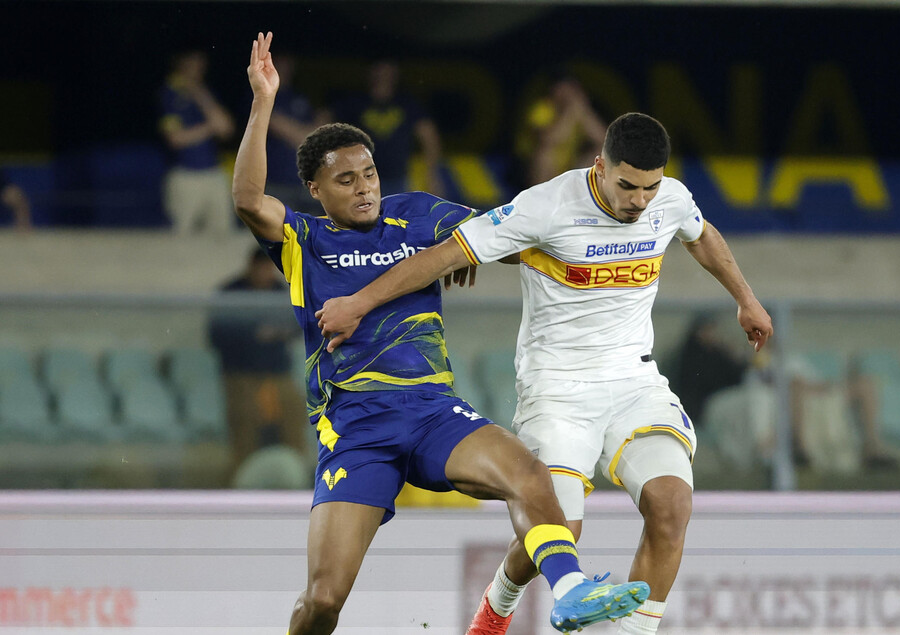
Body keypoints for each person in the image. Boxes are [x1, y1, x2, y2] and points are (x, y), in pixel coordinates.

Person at [233, 32, 649, 635]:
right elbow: (248, 199)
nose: (364, 186)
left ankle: (570, 590)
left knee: (530, 475)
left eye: (370, 173)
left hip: (432, 411)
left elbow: (506, 237)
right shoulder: (304, 239)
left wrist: (479, 249)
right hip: (356, 427)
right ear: (316, 191)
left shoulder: (419, 214)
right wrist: (264, 101)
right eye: (346, 180)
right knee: (323, 600)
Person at [317, 112, 774, 635]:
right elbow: (445, 254)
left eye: (649, 187)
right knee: (560, 531)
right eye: (627, 186)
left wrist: (746, 299)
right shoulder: (547, 206)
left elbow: (700, 234)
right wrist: (360, 302)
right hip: (556, 390)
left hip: (634, 382)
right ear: (599, 167)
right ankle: (495, 611)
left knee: (671, 505)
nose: (640, 201)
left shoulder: (669, 198)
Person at [208, 246, 308, 469]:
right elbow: (216, 335)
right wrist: (254, 335)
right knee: (245, 426)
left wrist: (278, 332)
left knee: (294, 416)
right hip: (242, 374)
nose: (266, 274)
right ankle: (242, 478)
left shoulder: (279, 291)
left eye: (269, 269)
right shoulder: (231, 293)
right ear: (251, 267)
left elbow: (297, 323)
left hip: (277, 372)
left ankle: (298, 473)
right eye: (262, 268)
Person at [323, 60, 445, 197]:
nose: (383, 77)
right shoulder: (355, 102)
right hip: (360, 177)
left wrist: (433, 173)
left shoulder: (407, 103)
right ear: (370, 74)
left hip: (397, 178)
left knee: (396, 209)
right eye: (379, 72)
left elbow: (429, 136)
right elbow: (324, 119)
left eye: (388, 73)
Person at [159, 47, 236, 234]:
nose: (197, 67)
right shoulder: (169, 94)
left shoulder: (206, 93)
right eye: (193, 61)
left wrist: (198, 93)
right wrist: (209, 127)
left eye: (200, 62)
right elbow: (176, 139)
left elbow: (226, 129)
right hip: (185, 175)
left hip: (214, 173)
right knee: (182, 234)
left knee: (223, 233)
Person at [247, 53, 328, 213]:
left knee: (314, 228)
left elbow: (322, 136)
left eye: (288, 62)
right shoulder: (260, 96)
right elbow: (306, 138)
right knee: (279, 229)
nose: (285, 67)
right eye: (280, 62)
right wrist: (308, 133)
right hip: (276, 184)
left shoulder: (300, 95)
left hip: (308, 184)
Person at [516, 70, 607, 187]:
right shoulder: (543, 108)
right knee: (544, 156)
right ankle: (543, 195)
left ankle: (577, 191)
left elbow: (603, 139)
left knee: (600, 153)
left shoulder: (578, 110)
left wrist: (584, 110)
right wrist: (570, 112)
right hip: (528, 168)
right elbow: (549, 140)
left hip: (567, 168)